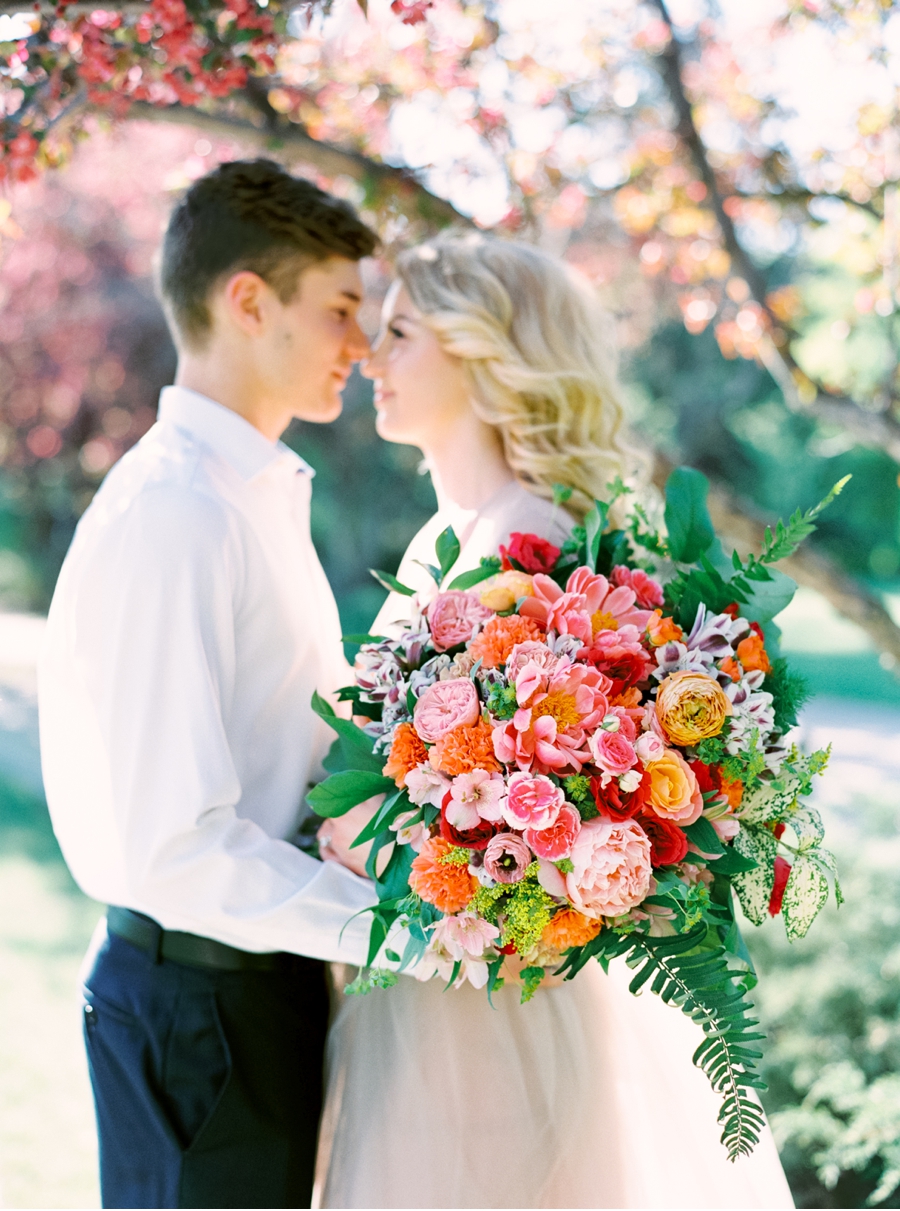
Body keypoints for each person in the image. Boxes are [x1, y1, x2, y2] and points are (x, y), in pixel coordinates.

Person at [314, 231, 795, 1209]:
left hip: (495, 1020)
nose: (371, 352)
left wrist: (351, 837)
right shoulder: (449, 536)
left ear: (486, 353)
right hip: (432, 992)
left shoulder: (533, 546)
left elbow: (526, 817)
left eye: (402, 329)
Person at [38, 159, 383, 1210]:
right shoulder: (179, 512)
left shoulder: (250, 493)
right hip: (200, 1008)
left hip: (252, 985)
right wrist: (396, 927)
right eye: (338, 309)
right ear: (247, 300)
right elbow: (176, 844)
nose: (360, 346)